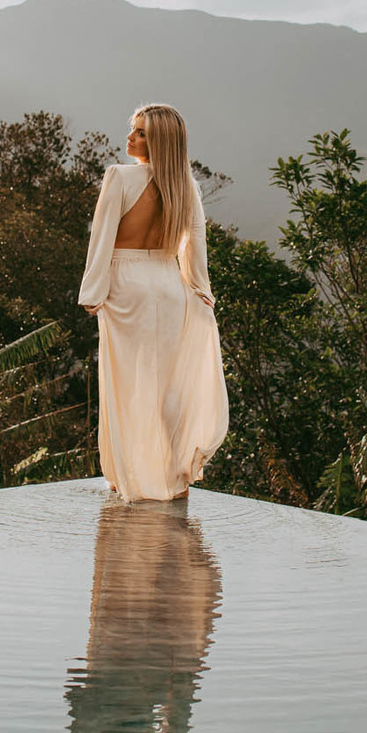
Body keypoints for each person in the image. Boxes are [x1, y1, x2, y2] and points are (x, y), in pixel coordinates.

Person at [78, 103, 229, 502]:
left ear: (160, 140)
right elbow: (195, 248)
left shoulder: (120, 177)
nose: (130, 137)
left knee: (125, 384)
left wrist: (93, 292)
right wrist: (201, 290)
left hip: (125, 286)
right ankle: (174, 478)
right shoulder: (185, 186)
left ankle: (125, 476)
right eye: (133, 129)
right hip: (169, 284)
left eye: (141, 132)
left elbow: (102, 240)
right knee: (166, 386)